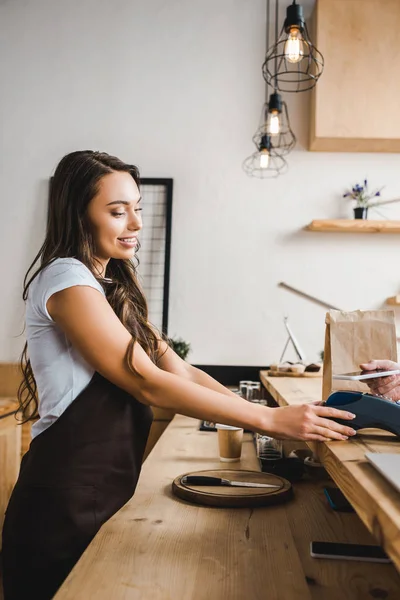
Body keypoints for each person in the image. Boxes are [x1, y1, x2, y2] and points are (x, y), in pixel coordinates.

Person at [1, 150, 356, 600]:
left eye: (137, 208)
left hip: (100, 492)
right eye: (117, 211)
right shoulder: (67, 280)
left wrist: (274, 416)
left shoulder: (109, 287)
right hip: (60, 502)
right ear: (78, 213)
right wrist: (267, 422)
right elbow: (146, 380)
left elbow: (179, 369)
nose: (135, 224)